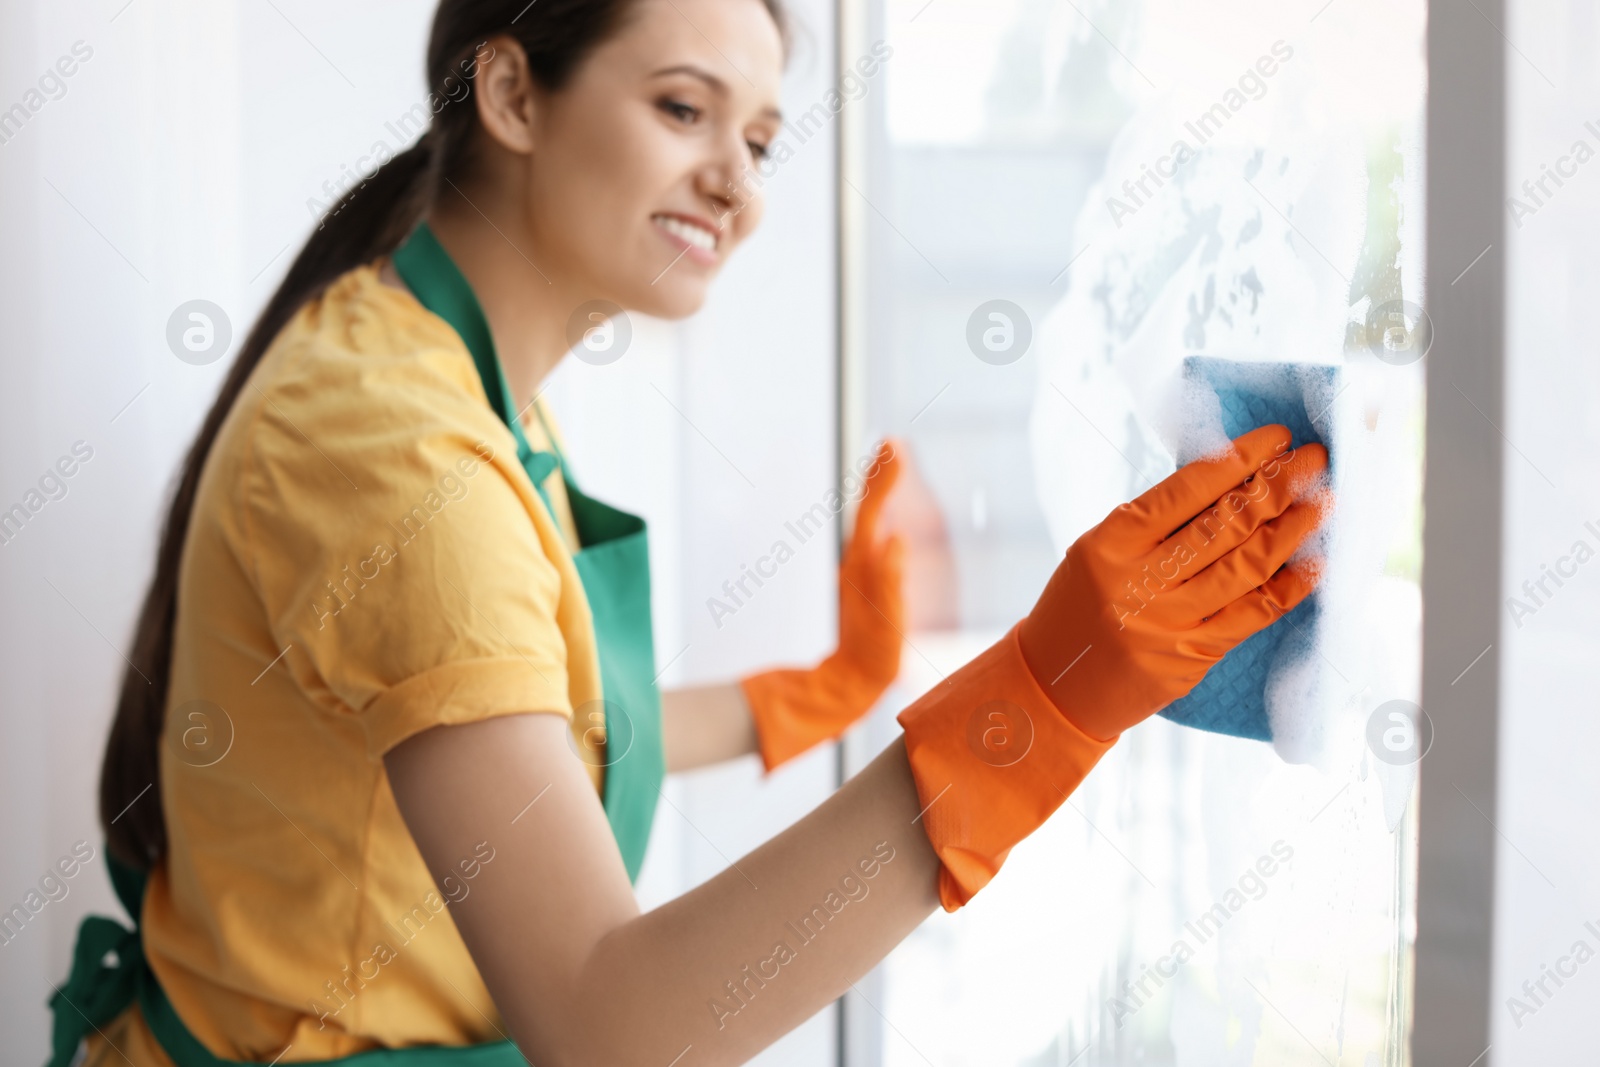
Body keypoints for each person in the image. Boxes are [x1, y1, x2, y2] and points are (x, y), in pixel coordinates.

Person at [49, 1, 1330, 1064]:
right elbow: (610, 1027)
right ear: (511, 95)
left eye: (762, 140)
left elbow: (509, 728)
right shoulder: (398, 452)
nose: (737, 183)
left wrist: (819, 694)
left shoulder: (444, 374)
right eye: (682, 108)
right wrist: (1034, 706)